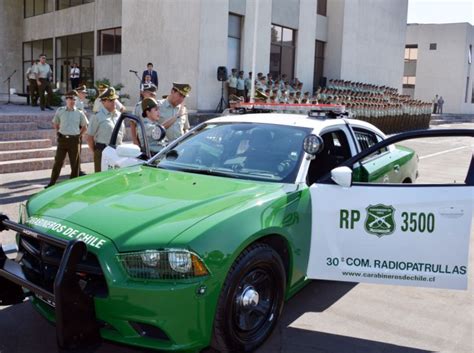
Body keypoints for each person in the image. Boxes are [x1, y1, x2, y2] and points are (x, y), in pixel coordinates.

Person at [46, 91, 88, 188]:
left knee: (75, 164)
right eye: (70, 99)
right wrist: (57, 131)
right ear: (66, 100)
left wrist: (79, 135)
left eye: (74, 99)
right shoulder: (60, 111)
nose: (72, 101)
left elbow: (85, 126)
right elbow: (55, 122)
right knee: (58, 162)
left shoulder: (79, 113)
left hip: (74, 140)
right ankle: (52, 183)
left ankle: (73, 185)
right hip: (63, 140)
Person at [87, 87, 125, 172]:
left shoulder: (119, 115)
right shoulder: (97, 117)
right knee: (101, 179)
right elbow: (89, 137)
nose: (114, 102)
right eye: (110, 100)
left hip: (117, 151)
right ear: (103, 102)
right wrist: (97, 152)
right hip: (102, 151)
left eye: (114, 100)